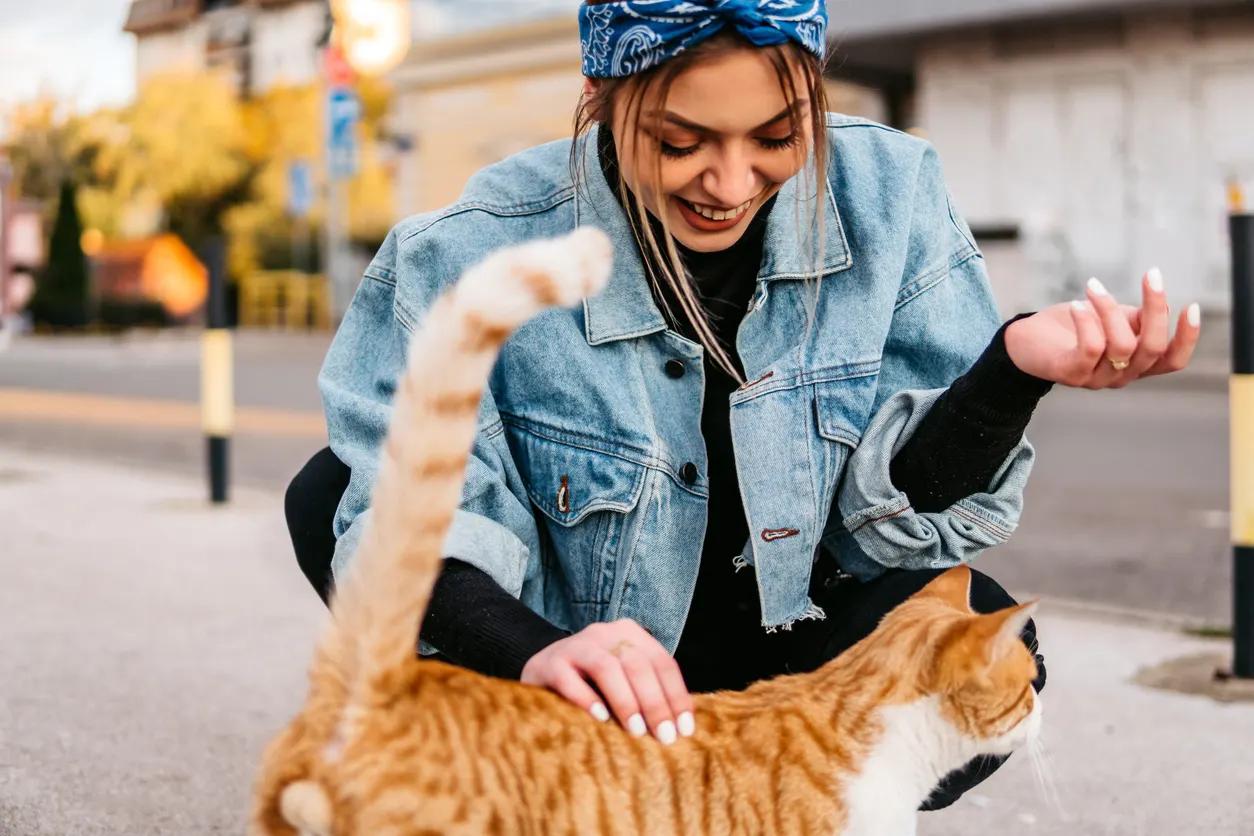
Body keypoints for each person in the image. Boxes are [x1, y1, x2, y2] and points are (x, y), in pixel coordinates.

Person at [285, 0, 1200, 813]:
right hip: (591, 661)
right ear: (603, 95)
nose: (729, 184)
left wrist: (1012, 370)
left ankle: (778, 799)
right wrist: (533, 651)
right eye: (681, 143)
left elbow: (893, 527)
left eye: (778, 136)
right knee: (327, 496)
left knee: (992, 639)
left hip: (793, 643)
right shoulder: (472, 252)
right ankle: (563, 780)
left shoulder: (893, 191)